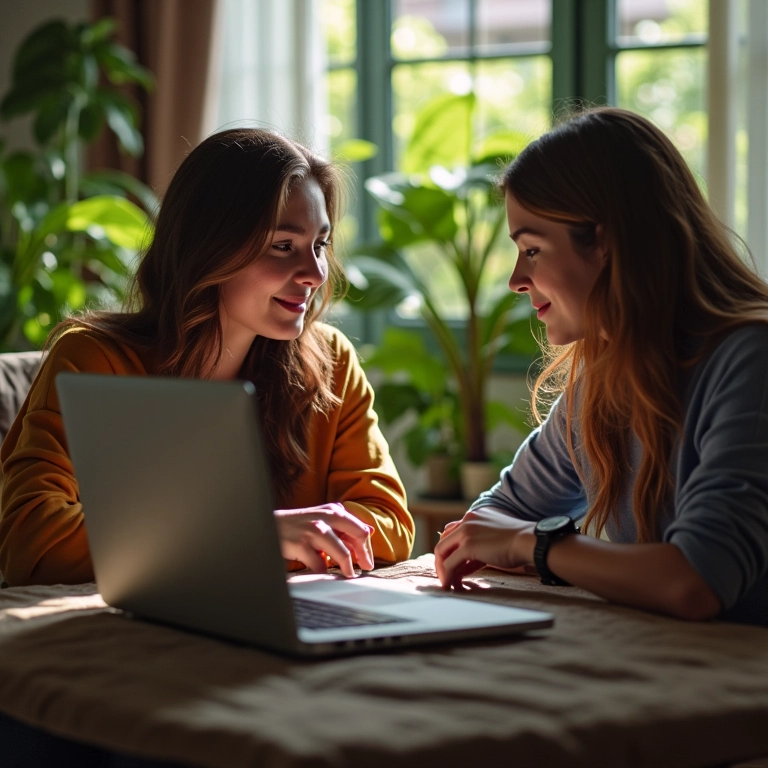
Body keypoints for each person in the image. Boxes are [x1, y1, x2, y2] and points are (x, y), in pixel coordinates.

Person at [0, 127, 414, 586]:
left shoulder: (332, 362)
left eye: (319, 245)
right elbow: (33, 543)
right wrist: (252, 538)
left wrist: (234, 545)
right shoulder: (92, 359)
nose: (316, 274)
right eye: (283, 246)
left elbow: (388, 523)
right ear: (209, 247)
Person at [435, 106, 768, 626]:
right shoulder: (602, 378)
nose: (516, 280)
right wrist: (515, 538)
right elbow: (489, 520)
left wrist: (531, 544)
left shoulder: (751, 360)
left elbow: (696, 582)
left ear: (606, 242)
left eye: (532, 249)